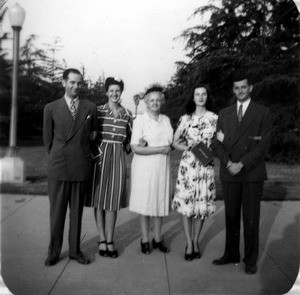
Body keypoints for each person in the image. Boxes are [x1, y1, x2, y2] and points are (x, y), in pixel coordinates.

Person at [211, 72, 272, 274]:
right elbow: (215, 144)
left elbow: (263, 146)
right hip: (230, 172)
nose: (240, 91)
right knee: (231, 216)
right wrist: (229, 162)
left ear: (251, 88)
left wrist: (242, 164)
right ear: (233, 89)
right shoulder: (224, 113)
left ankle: (250, 260)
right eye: (236, 88)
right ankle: (231, 254)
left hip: (251, 173)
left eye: (243, 87)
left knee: (251, 218)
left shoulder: (262, 112)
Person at [43, 68, 98, 266]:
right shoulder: (51, 108)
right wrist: (57, 160)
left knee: (77, 213)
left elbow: (93, 137)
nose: (76, 87)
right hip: (59, 167)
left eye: (79, 83)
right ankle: (54, 252)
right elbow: (47, 141)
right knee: (56, 214)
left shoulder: (90, 107)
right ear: (64, 82)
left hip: (80, 167)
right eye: (72, 82)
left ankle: (75, 251)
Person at [85, 77, 132, 258]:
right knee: (99, 200)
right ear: (106, 92)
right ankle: (102, 239)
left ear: (121, 92)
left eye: (117, 91)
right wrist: (98, 155)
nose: (114, 94)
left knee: (112, 202)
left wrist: (130, 146)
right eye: (111, 91)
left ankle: (110, 241)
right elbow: (90, 137)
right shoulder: (98, 111)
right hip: (100, 158)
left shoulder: (127, 114)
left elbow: (129, 140)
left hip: (118, 158)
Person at [172, 84, 218, 261]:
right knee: (187, 205)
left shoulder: (214, 118)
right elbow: (175, 142)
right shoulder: (185, 119)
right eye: (197, 94)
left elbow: (220, 141)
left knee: (201, 206)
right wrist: (188, 146)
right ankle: (188, 243)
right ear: (193, 98)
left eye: (203, 94)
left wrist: (212, 150)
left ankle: (196, 241)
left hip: (205, 166)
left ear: (207, 97)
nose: (200, 97)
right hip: (189, 167)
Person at [129, 86, 173, 254]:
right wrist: (158, 150)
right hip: (145, 168)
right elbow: (135, 148)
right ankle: (145, 239)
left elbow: (170, 142)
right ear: (146, 103)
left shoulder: (166, 119)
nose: (155, 103)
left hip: (162, 167)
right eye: (151, 100)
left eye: (158, 100)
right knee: (146, 203)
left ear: (162, 102)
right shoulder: (140, 120)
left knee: (159, 202)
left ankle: (158, 238)